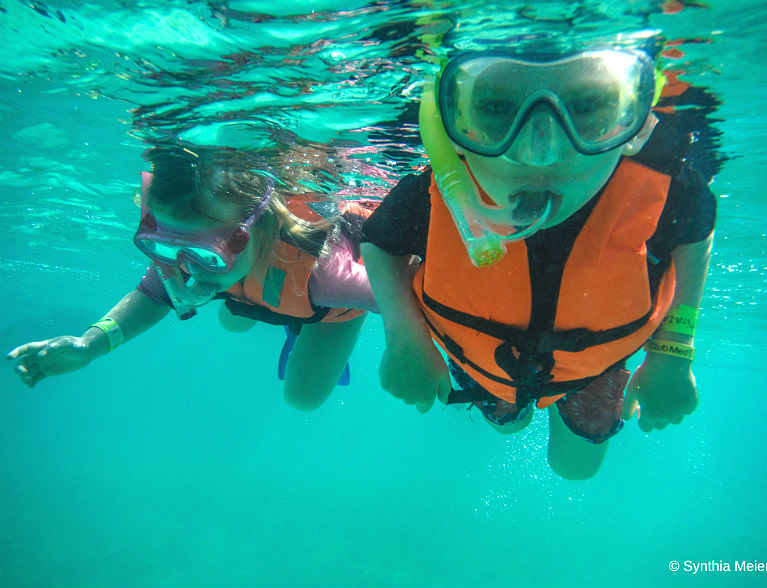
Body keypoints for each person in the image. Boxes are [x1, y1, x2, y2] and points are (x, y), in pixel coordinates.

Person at [360, 33, 716, 479]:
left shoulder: (667, 189)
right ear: (450, 124)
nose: (539, 154)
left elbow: (698, 232)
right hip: (486, 364)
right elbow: (378, 242)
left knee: (576, 469)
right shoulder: (436, 194)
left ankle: (559, 396)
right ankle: (511, 404)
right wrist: (405, 336)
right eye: (496, 108)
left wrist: (674, 350)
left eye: (586, 108)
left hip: (592, 366)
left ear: (637, 123)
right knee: (505, 423)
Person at [7, 147, 379, 411]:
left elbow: (404, 294)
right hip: (255, 286)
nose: (187, 269)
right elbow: (153, 294)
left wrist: (415, 350)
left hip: (328, 310)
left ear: (252, 228)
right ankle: (251, 300)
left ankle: (277, 313)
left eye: (206, 255)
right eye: (168, 251)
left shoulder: (325, 271)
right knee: (233, 320)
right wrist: (90, 345)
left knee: (303, 399)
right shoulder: (195, 242)